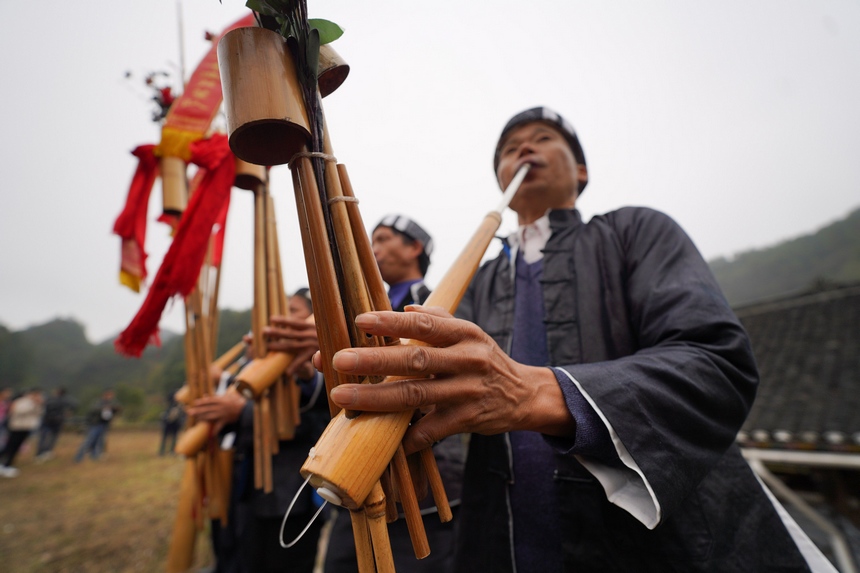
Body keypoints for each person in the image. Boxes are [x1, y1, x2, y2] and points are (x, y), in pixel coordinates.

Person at [313, 107, 835, 571]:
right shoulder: (480, 281)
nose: (523, 148)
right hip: (502, 537)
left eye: (542, 138)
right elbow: (428, 394)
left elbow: (716, 366)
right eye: (509, 147)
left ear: (580, 170)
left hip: (659, 544)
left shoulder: (636, 232)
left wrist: (535, 392)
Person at [323, 215, 466, 573]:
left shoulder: (437, 304)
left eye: (384, 238)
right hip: (356, 473)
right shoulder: (361, 309)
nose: (374, 248)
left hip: (419, 492)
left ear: (414, 248)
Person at [189, 289, 330, 573]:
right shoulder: (256, 365)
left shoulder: (319, 364)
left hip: (291, 495)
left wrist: (240, 410)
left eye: (292, 311)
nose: (279, 320)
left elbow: (318, 417)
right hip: (247, 486)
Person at [0, 387, 44, 477]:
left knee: (17, 447)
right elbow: (18, 411)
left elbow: (39, 413)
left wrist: (38, 405)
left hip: (27, 427)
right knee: (10, 446)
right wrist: (33, 405)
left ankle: (8, 464)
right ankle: (4, 463)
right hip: (17, 427)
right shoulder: (22, 401)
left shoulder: (36, 403)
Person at [74, 389, 121, 463]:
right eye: (109, 395)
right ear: (105, 394)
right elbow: (94, 410)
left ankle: (94, 456)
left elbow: (117, 409)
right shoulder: (98, 402)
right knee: (89, 440)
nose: (111, 397)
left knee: (99, 441)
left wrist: (113, 408)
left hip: (104, 424)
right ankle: (78, 457)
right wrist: (104, 407)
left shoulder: (111, 403)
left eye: (112, 395)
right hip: (95, 424)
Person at [36, 386, 76, 461]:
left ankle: (40, 453)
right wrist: (68, 412)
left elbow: (44, 407)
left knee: (44, 437)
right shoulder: (66, 400)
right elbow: (74, 404)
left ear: (57, 391)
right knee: (53, 437)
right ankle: (47, 451)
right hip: (58, 421)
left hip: (47, 420)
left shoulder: (50, 399)